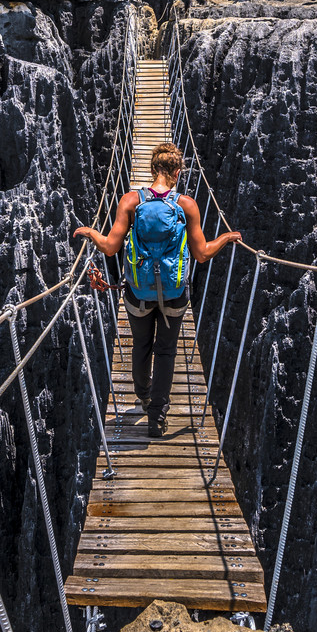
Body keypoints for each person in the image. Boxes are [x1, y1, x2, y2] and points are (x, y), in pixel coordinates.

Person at [74, 142, 240, 437]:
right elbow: (201, 254)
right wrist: (225, 238)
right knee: (166, 351)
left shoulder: (130, 201)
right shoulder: (186, 204)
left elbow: (111, 247)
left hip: (138, 292)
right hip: (175, 294)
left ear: (152, 169)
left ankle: (143, 394)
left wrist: (90, 233)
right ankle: (157, 418)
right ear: (177, 172)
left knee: (141, 346)